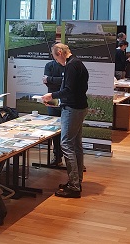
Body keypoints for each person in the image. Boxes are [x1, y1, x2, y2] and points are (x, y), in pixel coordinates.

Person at [41, 43, 89, 198]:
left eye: (56, 57)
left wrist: (51, 95)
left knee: (67, 144)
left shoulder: (70, 66)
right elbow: (78, 89)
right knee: (76, 144)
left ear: (60, 52)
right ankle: (76, 181)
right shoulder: (78, 63)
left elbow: (68, 90)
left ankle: (74, 186)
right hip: (80, 107)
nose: (56, 61)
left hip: (72, 108)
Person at [43, 57, 65, 167]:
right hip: (52, 101)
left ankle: (73, 160)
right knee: (55, 130)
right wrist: (59, 80)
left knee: (68, 131)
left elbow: (66, 83)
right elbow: (47, 83)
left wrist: (50, 79)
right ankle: (57, 157)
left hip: (66, 101)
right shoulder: (49, 65)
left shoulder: (68, 65)